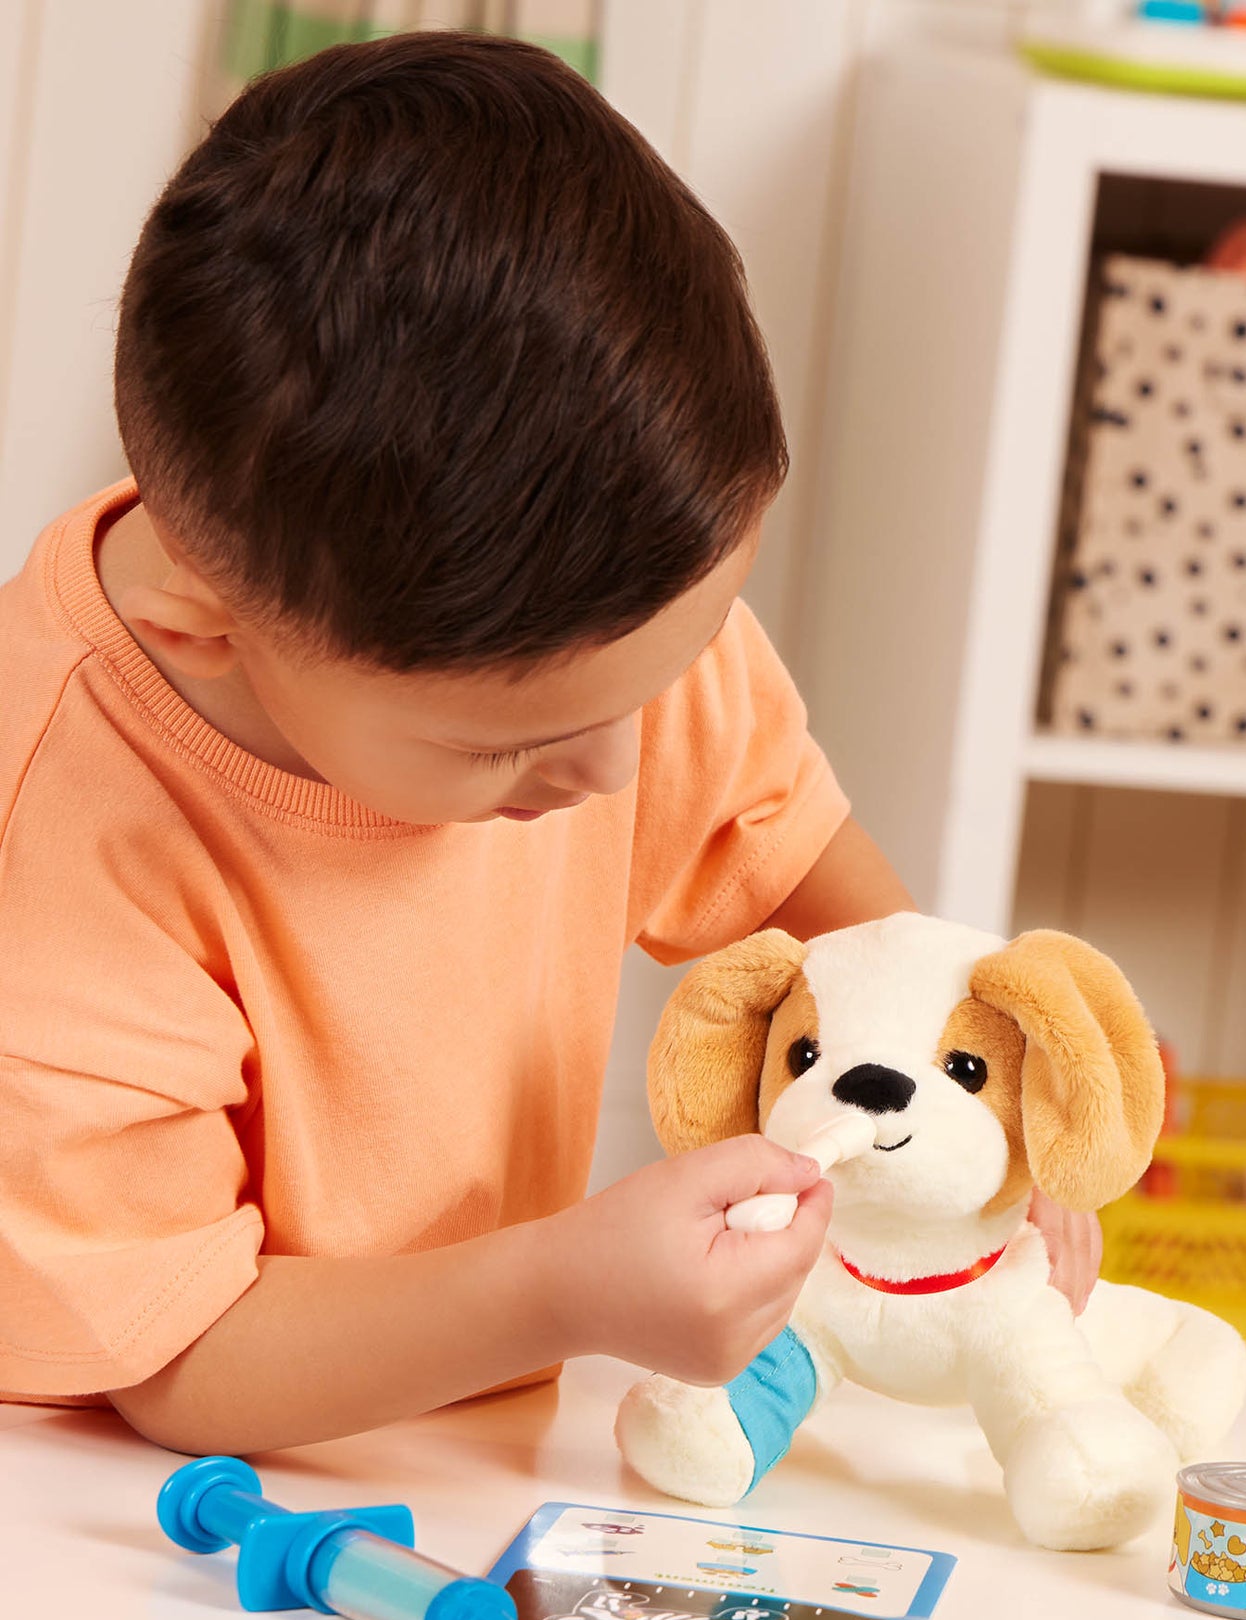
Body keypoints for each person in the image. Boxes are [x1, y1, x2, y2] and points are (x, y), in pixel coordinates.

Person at [0, 33, 1096, 1452]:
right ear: (208, 627)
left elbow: (816, 899)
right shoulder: (58, 832)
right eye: (508, 749)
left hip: (463, 1446)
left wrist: (996, 1083)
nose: (617, 772)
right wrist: (560, 1290)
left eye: (669, 674)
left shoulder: (596, 634)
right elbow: (174, 1353)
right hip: (95, 1498)